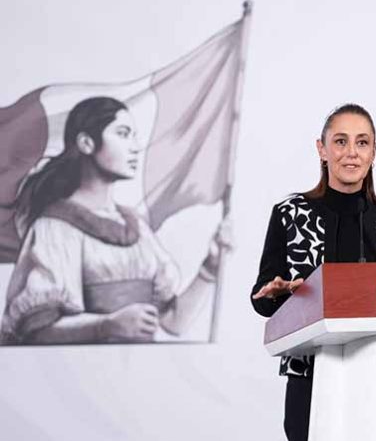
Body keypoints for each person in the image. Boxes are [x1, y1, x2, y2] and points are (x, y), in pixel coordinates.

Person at [250, 103, 376, 441]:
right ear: (322, 150)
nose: (351, 152)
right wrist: (278, 292)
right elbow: (261, 299)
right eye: (340, 141)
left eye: (362, 142)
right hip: (311, 374)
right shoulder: (290, 214)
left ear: (374, 152)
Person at [1, 96, 230, 345]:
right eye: (123, 134)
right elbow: (37, 331)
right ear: (86, 143)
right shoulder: (54, 227)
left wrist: (210, 268)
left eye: (134, 136)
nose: (135, 147)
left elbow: (173, 322)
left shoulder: (136, 227)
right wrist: (106, 325)